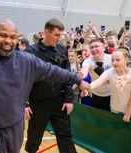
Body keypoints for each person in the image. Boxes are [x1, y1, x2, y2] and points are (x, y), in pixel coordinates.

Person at [0, 19, 91, 153]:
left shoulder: (27, 61)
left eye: (12, 37)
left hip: (15, 129)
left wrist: (78, 81)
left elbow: (53, 71)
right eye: (3, 35)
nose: (8, 40)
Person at [24, 18, 77, 153]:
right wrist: (24, 103)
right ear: (46, 33)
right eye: (56, 35)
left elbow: (67, 75)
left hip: (59, 101)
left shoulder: (62, 49)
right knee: (34, 138)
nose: (59, 38)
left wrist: (68, 99)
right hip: (38, 102)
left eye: (61, 35)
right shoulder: (31, 52)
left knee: (66, 136)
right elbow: (24, 79)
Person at [89, 48, 131, 122]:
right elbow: (99, 81)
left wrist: (128, 113)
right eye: (112, 60)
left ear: (126, 60)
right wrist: (88, 87)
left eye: (118, 60)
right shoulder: (110, 72)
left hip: (130, 110)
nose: (114, 63)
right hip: (114, 107)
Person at [80, 38, 112, 111]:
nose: (94, 49)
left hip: (110, 94)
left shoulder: (111, 59)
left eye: (96, 46)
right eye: (91, 47)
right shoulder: (88, 61)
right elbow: (85, 69)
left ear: (104, 47)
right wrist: (82, 74)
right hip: (95, 94)